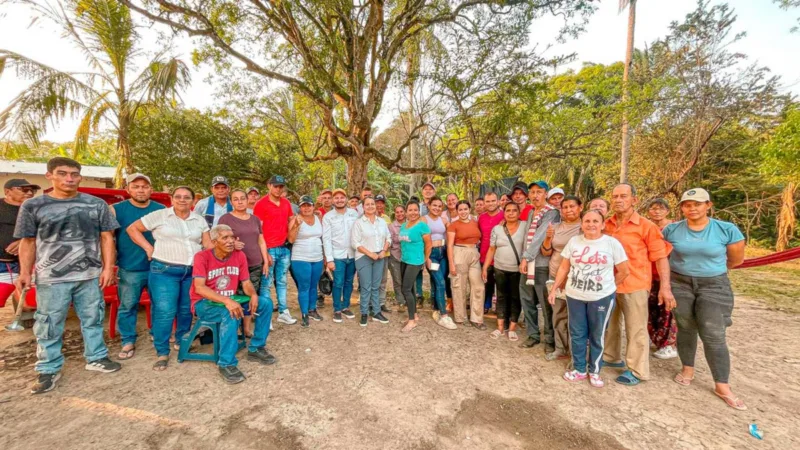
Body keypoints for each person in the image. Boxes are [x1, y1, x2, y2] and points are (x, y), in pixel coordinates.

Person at [15, 157, 121, 394]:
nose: (69, 178)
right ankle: (48, 367)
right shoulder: (33, 206)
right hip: (51, 276)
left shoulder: (96, 204)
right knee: (49, 322)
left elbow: (107, 237)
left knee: (93, 318)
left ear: (80, 177)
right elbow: (28, 241)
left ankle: (96, 357)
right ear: (49, 176)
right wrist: (24, 271)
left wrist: (107, 268)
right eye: (62, 173)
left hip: (89, 274)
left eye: (74, 174)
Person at [663, 188, 747, 410]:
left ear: (708, 205)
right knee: (686, 326)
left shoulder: (726, 229)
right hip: (680, 283)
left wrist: (710, 270)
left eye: (697, 204)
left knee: (713, 333)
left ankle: (722, 384)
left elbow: (735, 259)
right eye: (687, 205)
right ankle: (687, 368)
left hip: (714, 284)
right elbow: (662, 255)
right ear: (682, 208)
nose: (692, 208)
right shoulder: (671, 230)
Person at [128, 186, 212, 371]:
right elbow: (133, 229)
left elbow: (207, 244)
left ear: (193, 201)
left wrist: (226, 246)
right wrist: (149, 249)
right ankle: (162, 351)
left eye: (187, 197)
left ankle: (182, 340)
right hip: (164, 270)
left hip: (191, 271)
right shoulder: (160, 215)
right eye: (179, 197)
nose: (183, 200)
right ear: (171, 199)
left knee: (185, 310)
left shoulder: (199, 220)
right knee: (165, 311)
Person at [548, 209, 630, 388]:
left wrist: (608, 288)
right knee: (577, 333)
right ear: (582, 224)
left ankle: (594, 370)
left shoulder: (611, 243)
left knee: (597, 334)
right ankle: (579, 369)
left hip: (601, 297)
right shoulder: (574, 242)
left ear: (602, 224)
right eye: (587, 221)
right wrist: (554, 288)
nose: (591, 224)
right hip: (575, 295)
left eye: (595, 221)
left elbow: (624, 271)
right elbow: (564, 268)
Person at [603, 184, 675, 386]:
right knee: (611, 324)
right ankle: (611, 357)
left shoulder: (646, 226)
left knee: (636, 328)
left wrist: (665, 288)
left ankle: (637, 369)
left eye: (623, 196)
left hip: (635, 284)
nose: (618, 200)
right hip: (609, 284)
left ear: (634, 200)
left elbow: (661, 258)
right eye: (615, 196)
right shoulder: (606, 225)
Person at [190, 224, 276, 384]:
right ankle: (226, 363)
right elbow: (199, 288)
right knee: (229, 312)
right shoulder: (202, 257)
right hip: (204, 304)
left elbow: (246, 282)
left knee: (265, 304)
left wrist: (253, 294)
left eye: (232, 237)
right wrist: (226, 301)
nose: (231, 241)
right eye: (225, 238)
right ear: (215, 241)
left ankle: (256, 347)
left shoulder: (239, 255)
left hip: (231, 300)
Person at [111, 173, 165, 360]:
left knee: (160, 304)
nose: (140, 190)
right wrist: (109, 265)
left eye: (144, 186)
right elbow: (107, 238)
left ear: (151, 189)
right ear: (128, 190)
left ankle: (157, 334)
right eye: (136, 186)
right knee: (127, 305)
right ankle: (128, 340)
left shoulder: (161, 209)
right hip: (129, 267)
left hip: (158, 266)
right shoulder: (116, 210)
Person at [219, 189, 269, 337]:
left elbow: (261, 240)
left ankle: (246, 328)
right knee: (234, 295)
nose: (239, 201)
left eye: (242, 198)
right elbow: (218, 240)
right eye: (235, 199)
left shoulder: (254, 219)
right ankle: (232, 328)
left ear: (247, 200)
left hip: (255, 263)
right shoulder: (225, 219)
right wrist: (232, 243)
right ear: (231, 202)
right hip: (233, 264)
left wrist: (265, 261)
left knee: (250, 296)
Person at [541, 195, 583, 361]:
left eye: (572, 206)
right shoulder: (556, 227)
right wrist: (548, 237)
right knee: (557, 313)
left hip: (577, 278)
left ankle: (576, 354)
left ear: (580, 207)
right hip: (555, 275)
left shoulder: (585, 226)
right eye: (565, 207)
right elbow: (546, 251)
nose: (568, 210)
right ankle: (560, 348)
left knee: (576, 317)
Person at [253, 175, 297, 325]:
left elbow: (290, 220)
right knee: (266, 283)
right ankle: (266, 316)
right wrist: (264, 253)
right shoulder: (261, 204)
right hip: (269, 248)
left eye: (281, 187)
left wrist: (293, 229)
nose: (278, 189)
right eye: (276, 186)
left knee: (283, 281)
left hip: (284, 247)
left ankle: (283, 311)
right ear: (269, 186)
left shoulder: (286, 203)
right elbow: (258, 230)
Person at [519, 180, 557, 351]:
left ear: (545, 194)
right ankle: (533, 334)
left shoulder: (552, 213)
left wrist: (526, 257)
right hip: (526, 263)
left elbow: (540, 236)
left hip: (541, 264)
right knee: (527, 301)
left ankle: (549, 339)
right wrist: (523, 259)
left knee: (545, 302)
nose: (535, 195)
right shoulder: (530, 213)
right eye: (532, 192)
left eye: (539, 192)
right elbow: (526, 236)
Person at [482, 203, 525, 341]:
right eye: (508, 211)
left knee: (515, 297)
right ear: (504, 213)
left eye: (514, 211)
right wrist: (485, 267)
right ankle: (500, 327)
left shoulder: (525, 226)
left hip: (517, 270)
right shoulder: (497, 228)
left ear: (519, 212)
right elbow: (491, 249)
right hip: (499, 268)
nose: (511, 213)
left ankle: (512, 328)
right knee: (500, 296)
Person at [646, 198, 678, 360]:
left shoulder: (674, 228)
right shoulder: (647, 227)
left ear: (667, 211)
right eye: (653, 208)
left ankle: (669, 344)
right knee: (651, 310)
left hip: (667, 274)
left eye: (660, 208)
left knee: (667, 310)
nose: (656, 211)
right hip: (648, 274)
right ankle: (657, 339)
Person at [0, 178, 39, 311]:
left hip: (29, 265)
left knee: (30, 299)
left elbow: (48, 232)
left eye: (32, 190)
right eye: (24, 189)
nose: (29, 193)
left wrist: (23, 242)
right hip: (3, 265)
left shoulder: (36, 210)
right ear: (8, 191)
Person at [352, 197, 391, 326]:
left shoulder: (381, 222)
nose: (370, 206)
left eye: (372, 204)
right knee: (366, 286)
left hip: (379, 256)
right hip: (364, 257)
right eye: (367, 204)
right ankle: (364, 312)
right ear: (363, 207)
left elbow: (388, 238)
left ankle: (376, 311)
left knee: (376, 286)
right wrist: (370, 254)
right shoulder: (359, 223)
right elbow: (355, 243)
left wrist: (383, 251)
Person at [323, 188, 360, 323]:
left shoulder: (353, 214)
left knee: (349, 282)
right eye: (336, 198)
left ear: (346, 199)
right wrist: (329, 259)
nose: (339, 200)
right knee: (338, 282)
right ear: (333, 200)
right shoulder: (328, 217)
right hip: (337, 256)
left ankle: (346, 306)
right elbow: (326, 239)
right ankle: (337, 309)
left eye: (342, 197)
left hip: (352, 254)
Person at [447, 200, 485, 328]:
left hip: (474, 252)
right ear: (457, 211)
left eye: (465, 209)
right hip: (459, 252)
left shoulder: (475, 222)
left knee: (478, 286)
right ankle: (460, 317)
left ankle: (476, 318)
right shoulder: (453, 225)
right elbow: (450, 245)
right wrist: (451, 263)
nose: (463, 212)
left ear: (469, 209)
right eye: (460, 209)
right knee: (459, 286)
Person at [288, 196, 325, 327]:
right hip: (300, 257)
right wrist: (296, 226)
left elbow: (322, 237)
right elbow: (291, 239)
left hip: (317, 257)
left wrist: (325, 258)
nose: (306, 208)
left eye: (309, 205)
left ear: (313, 206)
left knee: (313, 285)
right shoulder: (295, 219)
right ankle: (304, 313)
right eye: (303, 206)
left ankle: (312, 309)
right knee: (304, 286)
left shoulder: (318, 218)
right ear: (300, 207)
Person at [422, 197, 457, 330]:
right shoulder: (424, 220)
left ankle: (436, 309)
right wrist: (427, 258)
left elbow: (454, 228)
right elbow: (421, 239)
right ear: (429, 205)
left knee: (439, 283)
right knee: (440, 283)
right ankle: (443, 315)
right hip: (432, 255)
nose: (436, 208)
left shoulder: (443, 220)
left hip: (443, 253)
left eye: (439, 206)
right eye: (434, 205)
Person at [399, 202, 432, 333]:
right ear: (406, 212)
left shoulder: (422, 226)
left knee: (405, 289)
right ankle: (414, 314)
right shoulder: (404, 225)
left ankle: (412, 321)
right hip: (404, 260)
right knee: (410, 288)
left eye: (415, 210)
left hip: (415, 261)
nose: (412, 212)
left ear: (419, 211)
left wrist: (424, 259)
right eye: (410, 210)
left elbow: (428, 245)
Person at [478, 192, 504, 315]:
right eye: (488, 201)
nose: (491, 204)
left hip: (501, 257)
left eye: (493, 201)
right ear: (484, 203)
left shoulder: (505, 216)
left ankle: (500, 307)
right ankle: (486, 304)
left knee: (501, 285)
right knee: (486, 283)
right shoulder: (481, 217)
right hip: (484, 255)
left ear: (498, 201)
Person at [375, 194, 393, 314]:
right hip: (371, 254)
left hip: (384, 254)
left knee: (382, 280)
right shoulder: (367, 217)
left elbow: (389, 235)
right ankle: (372, 303)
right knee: (373, 281)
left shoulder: (386, 218)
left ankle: (381, 303)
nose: (379, 205)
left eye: (382, 203)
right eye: (377, 202)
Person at [388, 205, 407, 310]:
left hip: (408, 257)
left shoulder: (410, 224)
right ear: (395, 214)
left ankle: (408, 300)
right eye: (397, 212)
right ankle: (400, 302)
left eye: (401, 211)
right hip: (395, 256)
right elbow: (389, 241)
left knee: (407, 280)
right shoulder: (391, 226)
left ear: (405, 212)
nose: (399, 214)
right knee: (397, 280)